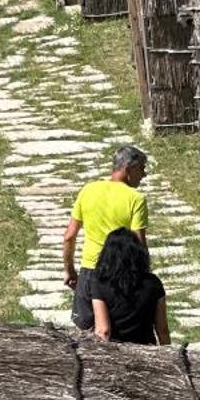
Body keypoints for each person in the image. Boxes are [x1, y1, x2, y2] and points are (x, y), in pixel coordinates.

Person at [63, 144, 148, 330]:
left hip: (89, 272)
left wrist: (70, 270)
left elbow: (69, 236)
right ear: (129, 169)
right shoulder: (135, 199)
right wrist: (145, 279)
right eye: (142, 168)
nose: (144, 174)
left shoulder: (88, 190)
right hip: (120, 275)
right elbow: (139, 243)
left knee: (84, 331)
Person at [88, 229, 169, 346]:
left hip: (116, 352)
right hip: (147, 350)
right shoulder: (153, 283)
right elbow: (162, 330)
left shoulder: (99, 283)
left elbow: (103, 331)